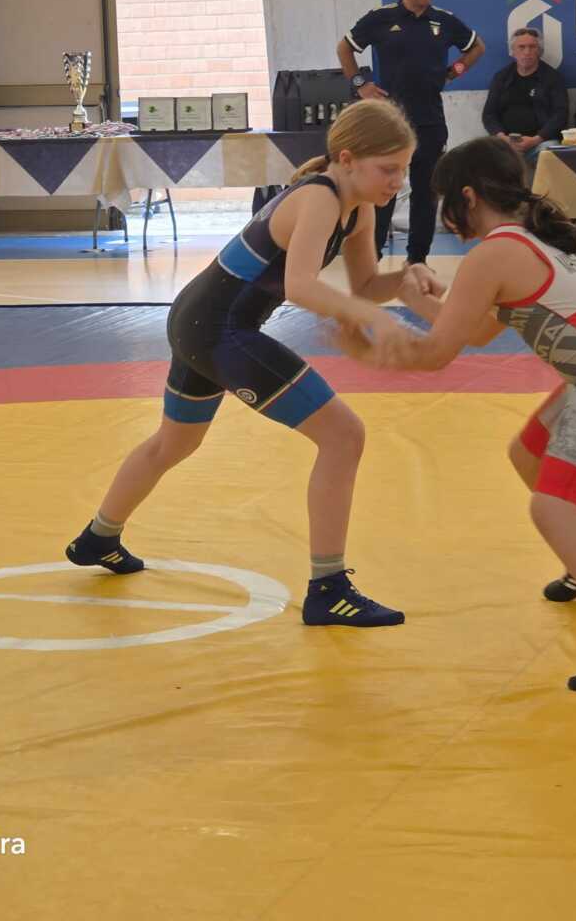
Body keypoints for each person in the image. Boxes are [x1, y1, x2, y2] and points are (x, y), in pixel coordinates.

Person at [66, 101, 438, 627]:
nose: (398, 182)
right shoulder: (320, 198)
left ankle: (98, 537)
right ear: (347, 159)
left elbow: (365, 286)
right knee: (343, 436)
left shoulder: (358, 209)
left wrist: (407, 279)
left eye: (404, 170)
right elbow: (300, 287)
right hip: (217, 329)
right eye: (388, 169)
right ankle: (328, 589)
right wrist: (372, 319)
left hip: (200, 322)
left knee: (175, 443)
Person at [336, 136, 576, 692]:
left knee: (554, 506)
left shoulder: (494, 253)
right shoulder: (517, 241)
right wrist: (414, 295)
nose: (445, 216)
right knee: (528, 455)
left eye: (445, 201)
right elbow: (475, 332)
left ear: (468, 196)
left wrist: (371, 349)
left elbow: (439, 354)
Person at [336, 0, 485, 263]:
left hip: (430, 120)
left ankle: (417, 260)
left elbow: (476, 48)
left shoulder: (443, 21)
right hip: (389, 123)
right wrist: (361, 85)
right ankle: (372, 258)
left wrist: (453, 72)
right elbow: (345, 48)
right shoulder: (381, 18)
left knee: (426, 193)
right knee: (382, 191)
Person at [482, 27, 568, 172]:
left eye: (532, 47)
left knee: (550, 153)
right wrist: (503, 139)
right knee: (481, 154)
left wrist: (536, 140)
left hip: (541, 143)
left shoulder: (553, 78)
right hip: (506, 144)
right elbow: (489, 114)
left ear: (539, 51)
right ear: (513, 51)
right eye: (521, 47)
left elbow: (560, 115)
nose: (527, 52)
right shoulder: (501, 78)